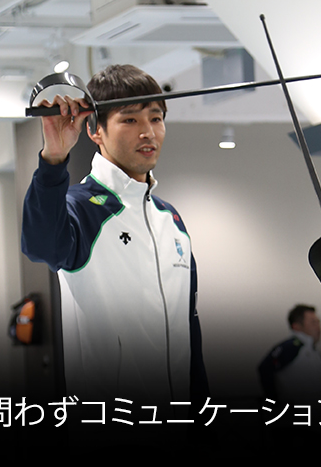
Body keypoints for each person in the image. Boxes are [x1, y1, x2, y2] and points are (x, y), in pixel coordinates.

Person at [21, 64, 208, 408]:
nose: (148, 132)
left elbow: (189, 328)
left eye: (156, 118)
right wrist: (54, 159)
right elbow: (40, 246)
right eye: (130, 119)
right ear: (95, 130)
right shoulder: (79, 208)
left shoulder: (171, 220)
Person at [258, 305, 321, 403]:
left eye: (318, 322)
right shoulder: (291, 347)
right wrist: (274, 403)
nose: (318, 327)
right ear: (296, 326)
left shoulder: (315, 354)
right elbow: (265, 368)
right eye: (313, 322)